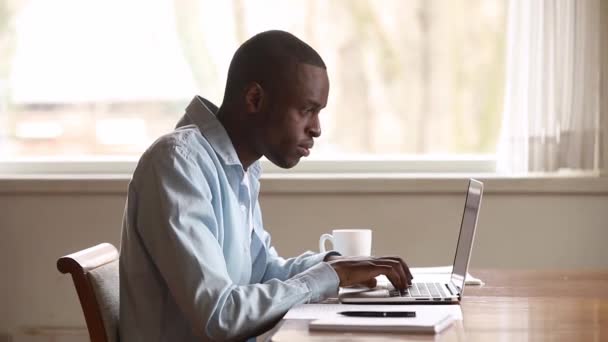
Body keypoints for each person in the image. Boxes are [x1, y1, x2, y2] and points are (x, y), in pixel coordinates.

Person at [119, 30, 413, 342]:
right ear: (254, 99)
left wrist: (332, 264)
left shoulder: (240, 168)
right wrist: (330, 276)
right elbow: (220, 317)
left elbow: (262, 272)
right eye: (306, 110)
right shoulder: (178, 163)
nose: (316, 129)